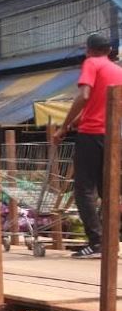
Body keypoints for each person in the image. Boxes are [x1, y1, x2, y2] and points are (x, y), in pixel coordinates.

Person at [53, 33, 122, 257]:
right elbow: (100, 106)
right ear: (109, 51)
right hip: (112, 134)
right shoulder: (118, 70)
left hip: (91, 135)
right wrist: (73, 124)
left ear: (89, 49)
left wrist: (63, 126)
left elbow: (84, 96)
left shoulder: (91, 63)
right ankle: (112, 240)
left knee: (84, 189)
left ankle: (97, 242)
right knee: (108, 190)